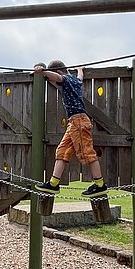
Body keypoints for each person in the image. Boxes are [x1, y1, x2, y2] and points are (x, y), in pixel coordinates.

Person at [33, 60, 107, 198]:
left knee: (87, 153)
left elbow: (57, 78)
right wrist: (80, 68)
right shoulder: (75, 80)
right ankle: (54, 183)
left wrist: (42, 71)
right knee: (62, 151)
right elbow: (80, 76)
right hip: (74, 123)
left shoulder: (65, 79)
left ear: (59, 72)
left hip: (78, 122)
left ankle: (100, 184)